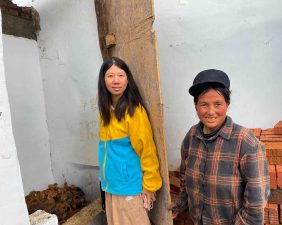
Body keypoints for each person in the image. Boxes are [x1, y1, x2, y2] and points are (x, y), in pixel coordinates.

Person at [171, 69, 270, 225]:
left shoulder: (246, 142)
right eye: (204, 104)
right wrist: (179, 205)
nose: (211, 112)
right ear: (196, 106)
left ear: (227, 104)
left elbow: (256, 205)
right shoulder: (191, 137)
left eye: (218, 104)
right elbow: (185, 178)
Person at [97, 57, 162, 225]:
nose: (116, 81)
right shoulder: (105, 111)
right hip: (111, 186)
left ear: (128, 79)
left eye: (121, 75)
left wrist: (150, 185)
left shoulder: (134, 111)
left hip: (129, 187)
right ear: (103, 80)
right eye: (110, 76)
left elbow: (147, 150)